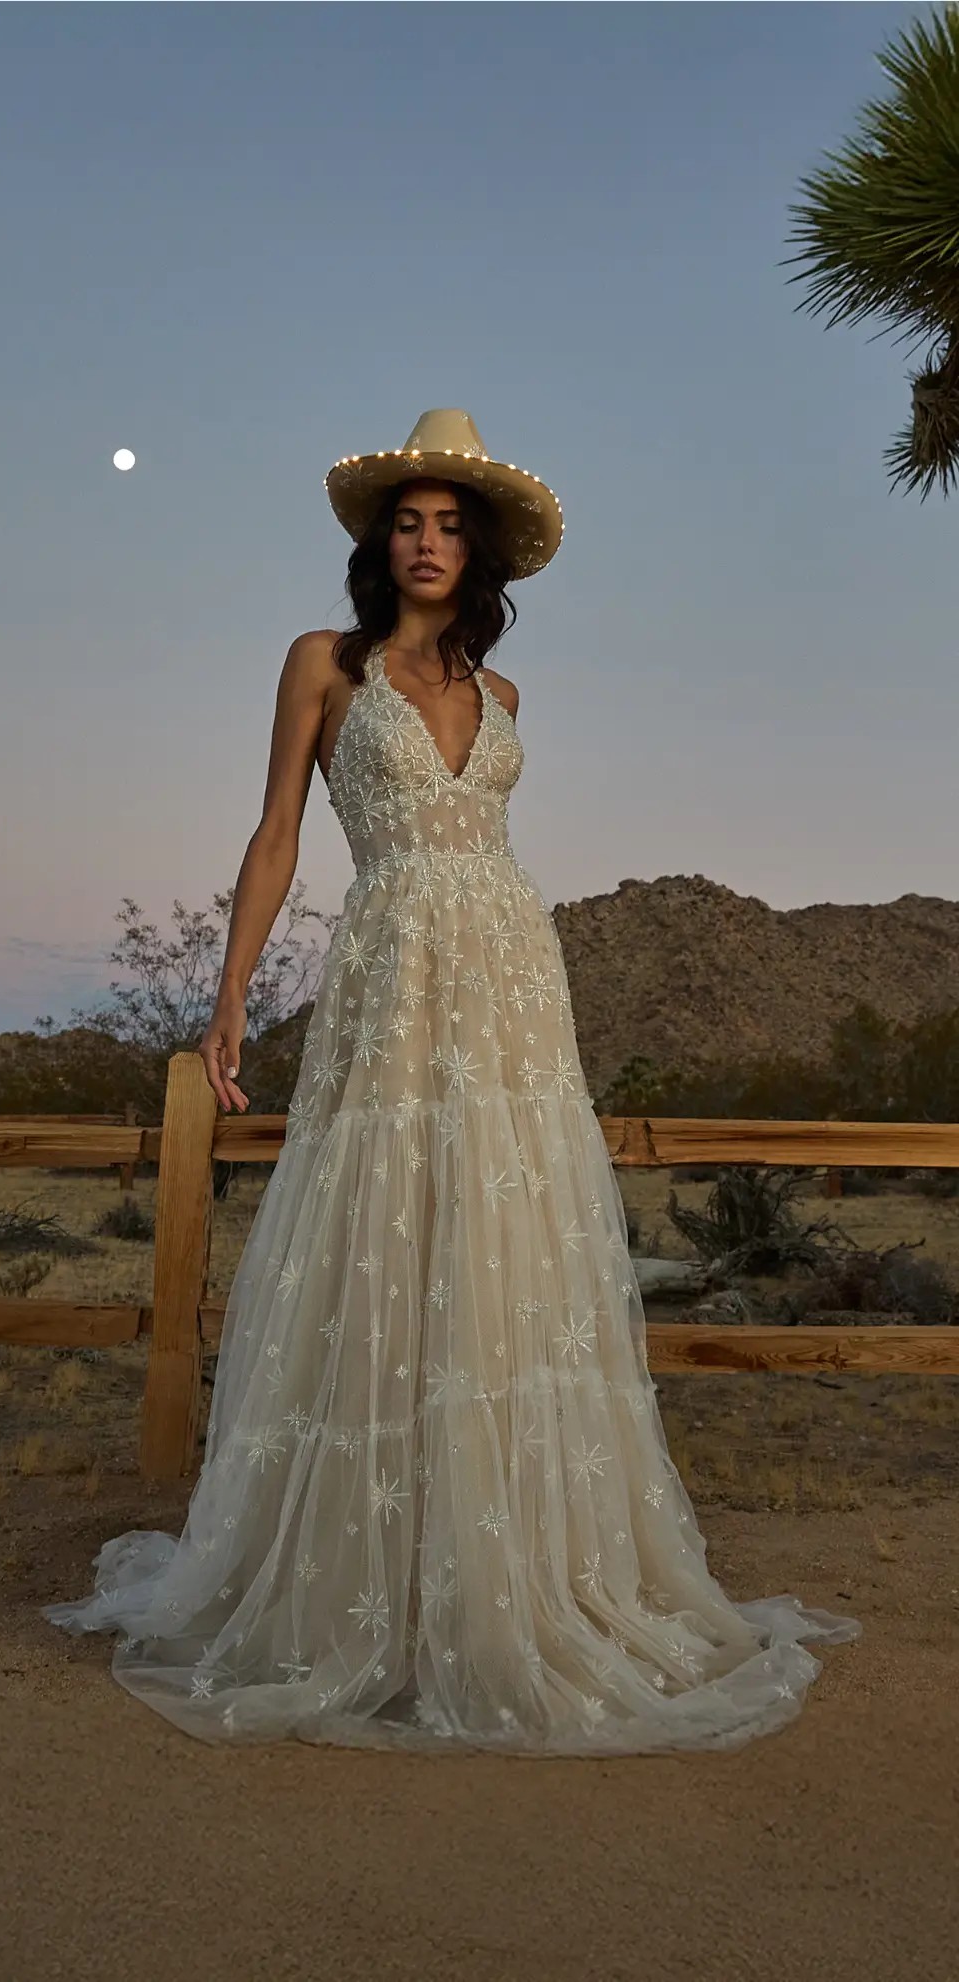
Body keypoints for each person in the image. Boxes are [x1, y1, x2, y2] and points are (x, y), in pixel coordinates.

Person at [42, 407, 861, 1754]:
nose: (426, 543)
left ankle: (503, 1571)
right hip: (392, 961)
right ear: (380, 542)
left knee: (499, 1241)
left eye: (448, 525)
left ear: (477, 552)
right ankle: (361, 1575)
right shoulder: (324, 663)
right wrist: (230, 995)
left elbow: (482, 841)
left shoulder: (507, 695)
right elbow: (275, 836)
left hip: (509, 976)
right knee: (384, 1229)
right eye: (407, 523)